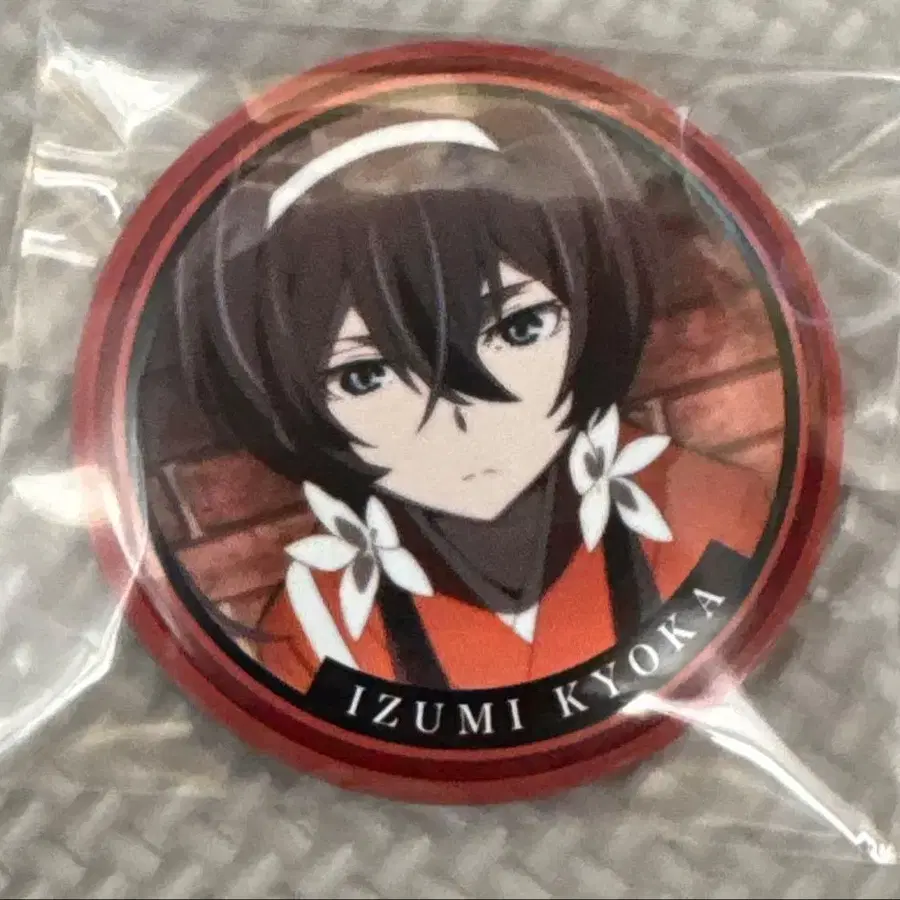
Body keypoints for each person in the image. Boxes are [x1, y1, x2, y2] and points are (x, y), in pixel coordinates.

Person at [174, 93, 772, 692]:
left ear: (594, 312)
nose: (460, 420)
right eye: (365, 377)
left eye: (520, 329)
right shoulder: (320, 622)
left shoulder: (719, 515)